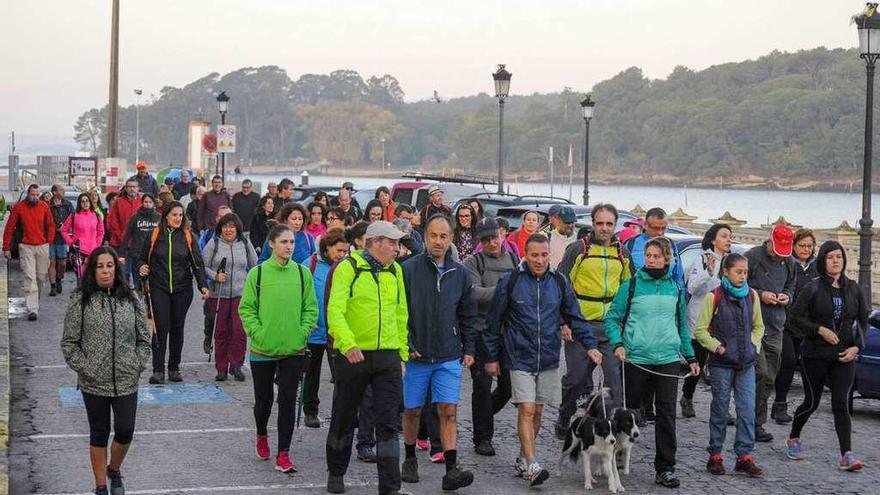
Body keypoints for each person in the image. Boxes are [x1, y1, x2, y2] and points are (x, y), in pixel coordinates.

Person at [482, 233, 601, 487]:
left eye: (544, 255)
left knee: (537, 411)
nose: (539, 260)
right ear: (525, 254)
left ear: (549, 255)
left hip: (547, 357)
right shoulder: (511, 281)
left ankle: (524, 458)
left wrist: (590, 345)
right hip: (518, 356)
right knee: (525, 409)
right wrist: (491, 357)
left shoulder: (559, 282)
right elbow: (493, 323)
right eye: (534, 255)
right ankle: (533, 463)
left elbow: (575, 316)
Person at [606, 236, 699, 489]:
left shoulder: (676, 289)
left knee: (667, 415)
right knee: (629, 411)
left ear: (667, 258)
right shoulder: (632, 285)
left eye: (657, 256)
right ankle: (614, 458)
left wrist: (690, 357)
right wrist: (618, 343)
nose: (652, 260)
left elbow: (681, 326)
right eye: (648, 256)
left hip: (668, 359)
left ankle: (665, 468)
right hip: (636, 357)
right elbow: (612, 318)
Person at [325, 221, 409, 495]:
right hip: (354, 355)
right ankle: (336, 472)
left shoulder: (395, 271)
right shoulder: (348, 268)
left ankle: (390, 486)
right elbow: (335, 311)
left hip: (387, 356)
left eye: (398, 243)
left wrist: (402, 354)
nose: (397, 248)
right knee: (344, 415)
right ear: (375, 243)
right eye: (393, 243)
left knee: (387, 422)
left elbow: (401, 314)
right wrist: (347, 345)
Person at [61, 246, 151, 495]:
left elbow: (144, 338)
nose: (105, 271)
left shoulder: (130, 298)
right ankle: (101, 485)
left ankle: (114, 468)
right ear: (93, 270)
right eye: (100, 266)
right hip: (94, 382)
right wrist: (85, 367)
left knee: (125, 429)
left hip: (126, 379)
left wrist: (136, 363)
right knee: (98, 434)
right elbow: (69, 342)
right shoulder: (81, 299)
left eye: (109, 265)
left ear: (116, 268)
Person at [400, 215, 477, 491]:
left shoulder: (460, 274)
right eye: (433, 235)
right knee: (412, 410)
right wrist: (406, 343)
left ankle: (451, 469)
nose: (438, 241)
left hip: (448, 355)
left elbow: (468, 315)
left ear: (451, 239)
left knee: (448, 410)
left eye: (444, 236)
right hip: (417, 355)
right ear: (425, 236)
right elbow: (400, 312)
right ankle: (409, 457)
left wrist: (469, 348)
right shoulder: (407, 270)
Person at [239, 224, 318, 473]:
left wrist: (302, 331)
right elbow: (246, 309)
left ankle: (284, 453)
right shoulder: (258, 274)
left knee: (287, 401)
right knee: (264, 400)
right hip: (262, 350)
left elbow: (311, 308)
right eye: (284, 242)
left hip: (293, 349)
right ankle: (261, 434)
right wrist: (258, 333)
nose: (289, 246)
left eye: (292, 242)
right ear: (272, 244)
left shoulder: (303, 273)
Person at [786, 240, 867, 471]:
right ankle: (793, 436)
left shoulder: (854, 288)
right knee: (811, 402)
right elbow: (795, 317)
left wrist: (857, 348)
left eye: (839, 257)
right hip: (816, 354)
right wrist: (819, 329)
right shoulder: (812, 287)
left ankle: (847, 454)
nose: (835, 261)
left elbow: (863, 320)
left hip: (844, 355)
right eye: (830, 257)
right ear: (823, 260)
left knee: (841, 402)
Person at [555, 203, 630, 437]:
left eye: (609, 224)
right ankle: (565, 413)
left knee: (615, 385)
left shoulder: (623, 254)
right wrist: (563, 322)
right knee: (576, 378)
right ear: (593, 224)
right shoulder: (579, 249)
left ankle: (609, 432)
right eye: (600, 223)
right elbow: (559, 286)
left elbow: (629, 288)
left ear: (615, 225)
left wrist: (626, 325)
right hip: (581, 325)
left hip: (610, 327)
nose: (604, 228)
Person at [694, 253, 765, 477]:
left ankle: (744, 456)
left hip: (746, 363)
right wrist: (717, 347)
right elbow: (700, 331)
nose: (743, 276)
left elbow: (758, 326)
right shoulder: (713, 297)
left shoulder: (752, 296)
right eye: (738, 272)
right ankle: (715, 454)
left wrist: (754, 345)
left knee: (747, 410)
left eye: (745, 272)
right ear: (726, 272)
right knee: (721, 408)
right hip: (721, 364)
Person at [462, 217, 518, 456]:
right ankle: (482, 437)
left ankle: (483, 417)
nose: (491, 243)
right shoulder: (473, 263)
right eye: (486, 240)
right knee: (482, 388)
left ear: (501, 235)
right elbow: (475, 294)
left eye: (494, 238)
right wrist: (505, 291)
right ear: (480, 242)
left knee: (507, 388)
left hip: (507, 332)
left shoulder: (513, 259)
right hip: (482, 332)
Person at [138, 201, 209, 384]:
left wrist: (203, 285)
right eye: (174, 215)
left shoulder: (188, 236)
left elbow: (197, 263)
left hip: (182, 289)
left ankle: (174, 368)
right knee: (160, 328)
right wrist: (141, 267)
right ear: (166, 216)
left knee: (177, 328)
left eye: (180, 215)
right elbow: (140, 257)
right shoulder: (155, 235)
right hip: (158, 287)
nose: (178, 218)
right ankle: (158, 370)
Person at [744, 224, 796, 442]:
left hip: (776, 326)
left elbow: (791, 286)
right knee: (760, 373)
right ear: (769, 241)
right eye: (776, 250)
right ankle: (753, 422)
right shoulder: (752, 257)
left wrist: (786, 296)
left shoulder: (790, 263)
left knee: (770, 379)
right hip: (753, 326)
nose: (778, 255)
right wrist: (760, 294)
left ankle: (754, 420)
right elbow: (737, 284)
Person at [681, 223, 732, 418]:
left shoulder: (730, 261)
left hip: (721, 319)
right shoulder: (703, 259)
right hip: (700, 319)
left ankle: (723, 407)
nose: (728, 240)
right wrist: (709, 273)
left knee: (722, 365)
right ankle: (687, 396)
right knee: (699, 362)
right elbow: (692, 287)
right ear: (713, 240)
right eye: (724, 236)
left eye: (730, 236)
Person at [302, 228, 349, 428]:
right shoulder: (309, 265)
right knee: (311, 375)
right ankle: (310, 411)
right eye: (338, 250)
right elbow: (300, 296)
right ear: (327, 247)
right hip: (314, 330)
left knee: (341, 376)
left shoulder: (346, 267)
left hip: (336, 331)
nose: (342, 255)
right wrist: (304, 322)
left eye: (345, 251)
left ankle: (342, 412)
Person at [202, 213, 258, 381]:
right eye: (225, 226)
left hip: (241, 294)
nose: (228, 230)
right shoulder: (215, 243)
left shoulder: (245, 243)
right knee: (221, 332)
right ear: (221, 228)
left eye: (232, 226)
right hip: (219, 295)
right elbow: (202, 265)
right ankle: (221, 368)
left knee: (239, 331)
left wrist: (252, 284)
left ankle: (236, 365)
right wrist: (214, 276)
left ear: (237, 228)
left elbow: (254, 266)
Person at [773, 228, 818, 424]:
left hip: (809, 325)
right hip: (787, 322)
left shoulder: (817, 267)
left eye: (809, 246)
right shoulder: (788, 263)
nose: (806, 249)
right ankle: (779, 404)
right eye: (802, 245)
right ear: (793, 246)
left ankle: (808, 405)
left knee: (810, 365)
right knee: (788, 361)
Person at [3, 184, 54, 321]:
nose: (35, 197)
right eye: (33, 194)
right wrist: (6, 247)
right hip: (26, 246)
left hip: (42, 245)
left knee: (41, 276)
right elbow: (9, 227)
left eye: (37, 195)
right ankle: (32, 309)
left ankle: (34, 300)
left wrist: (48, 241)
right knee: (29, 276)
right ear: (28, 194)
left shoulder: (44, 206)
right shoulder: (19, 207)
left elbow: (50, 225)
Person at [625, 207, 685, 287]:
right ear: (645, 225)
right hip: (639, 296)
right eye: (656, 228)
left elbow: (678, 277)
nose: (660, 233)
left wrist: (681, 296)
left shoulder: (671, 245)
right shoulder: (631, 244)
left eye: (663, 228)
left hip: (667, 296)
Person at [60, 193, 105, 283]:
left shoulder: (96, 215)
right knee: (81, 279)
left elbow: (101, 232)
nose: (85, 203)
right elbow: (63, 230)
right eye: (82, 201)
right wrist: (71, 243)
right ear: (79, 203)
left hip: (93, 251)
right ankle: (81, 296)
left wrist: (97, 245)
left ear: (90, 202)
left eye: (87, 201)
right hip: (78, 251)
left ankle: (91, 296)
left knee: (93, 278)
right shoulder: (74, 215)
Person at [118, 194, 159, 286]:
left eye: (150, 202)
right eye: (145, 202)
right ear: (142, 203)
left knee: (154, 284)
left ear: (153, 203)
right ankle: (140, 296)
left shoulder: (159, 218)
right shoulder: (135, 218)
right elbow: (127, 236)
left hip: (155, 255)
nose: (148, 204)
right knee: (138, 283)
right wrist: (122, 254)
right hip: (137, 255)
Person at [107, 179, 143, 284]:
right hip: (120, 243)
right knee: (122, 272)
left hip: (138, 244)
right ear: (126, 188)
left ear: (138, 188)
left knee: (139, 273)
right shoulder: (119, 201)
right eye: (129, 186)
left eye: (134, 186)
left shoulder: (142, 202)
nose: (132, 189)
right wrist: (122, 235)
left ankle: (139, 296)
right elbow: (112, 221)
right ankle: (123, 295)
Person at [47, 184, 75, 296]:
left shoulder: (67, 204)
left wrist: (66, 227)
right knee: (52, 262)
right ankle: (53, 286)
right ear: (54, 192)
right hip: (50, 238)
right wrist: (54, 228)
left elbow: (73, 218)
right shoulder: (48, 205)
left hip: (63, 238)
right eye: (61, 189)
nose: (63, 191)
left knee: (62, 263)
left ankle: (59, 279)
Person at [545, 205, 577, 269]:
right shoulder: (547, 237)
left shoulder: (579, 239)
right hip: (553, 277)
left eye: (572, 222)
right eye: (567, 222)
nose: (570, 225)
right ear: (559, 221)